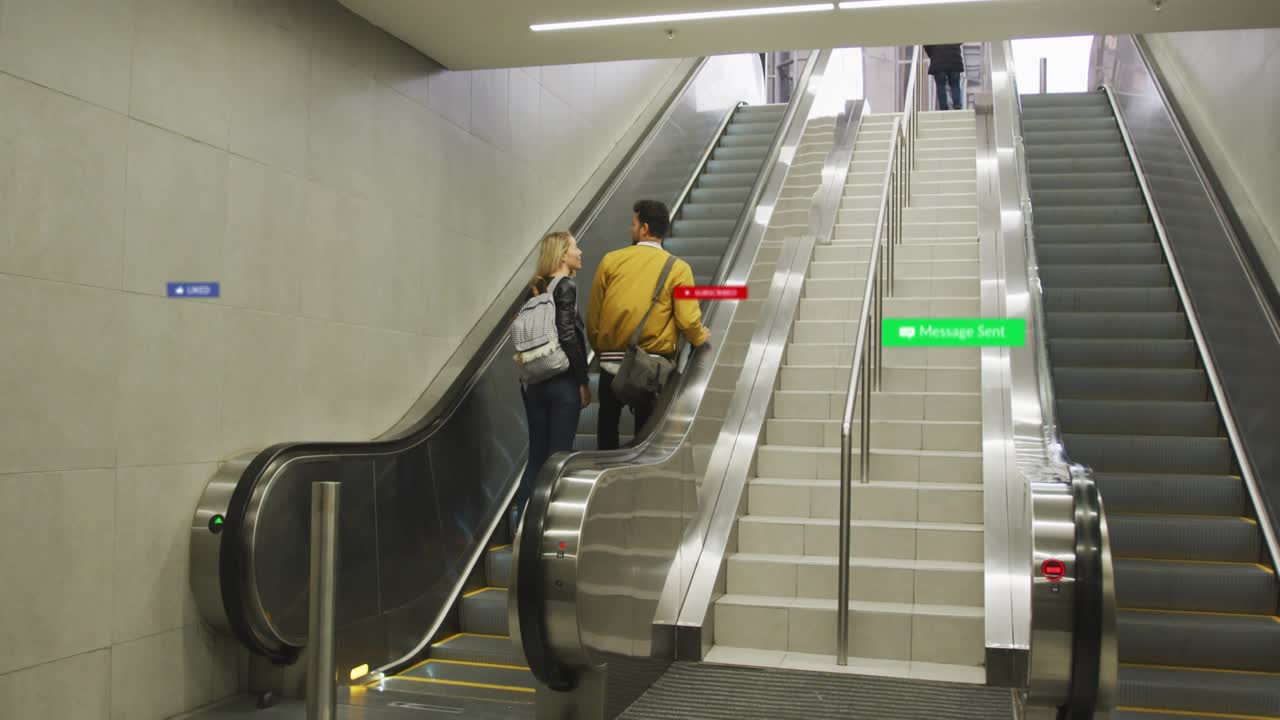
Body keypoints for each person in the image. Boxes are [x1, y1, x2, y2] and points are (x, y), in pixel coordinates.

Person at [587, 200, 711, 450]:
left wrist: (601, 350)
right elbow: (688, 320)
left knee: (607, 430)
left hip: (610, 363)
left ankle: (602, 471)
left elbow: (593, 318)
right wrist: (701, 337)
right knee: (645, 435)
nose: (631, 229)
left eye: (633, 224)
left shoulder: (611, 261)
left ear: (644, 228)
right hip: (650, 368)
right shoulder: (679, 269)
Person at [515, 231, 590, 523]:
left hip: (534, 383)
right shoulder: (566, 285)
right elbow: (568, 335)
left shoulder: (534, 288)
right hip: (561, 383)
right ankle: (545, 527)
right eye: (575, 248)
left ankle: (522, 526)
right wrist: (582, 381)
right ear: (562, 255)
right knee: (558, 460)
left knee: (536, 460)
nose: (580, 252)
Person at [924, 44, 965, 111]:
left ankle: (943, 107)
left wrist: (932, 54)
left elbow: (926, 45)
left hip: (938, 59)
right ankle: (957, 105)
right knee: (955, 84)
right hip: (954, 59)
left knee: (940, 85)